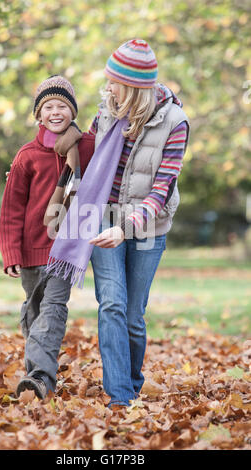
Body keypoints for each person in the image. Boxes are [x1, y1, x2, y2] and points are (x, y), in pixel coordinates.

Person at [86, 39, 190, 407]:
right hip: (103, 218)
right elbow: (86, 159)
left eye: (114, 81)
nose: (108, 87)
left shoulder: (175, 123)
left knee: (132, 315)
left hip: (148, 227)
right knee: (111, 303)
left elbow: (161, 189)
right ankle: (120, 398)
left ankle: (129, 382)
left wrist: (125, 227)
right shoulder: (106, 112)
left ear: (133, 86)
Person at [0, 75, 95, 399]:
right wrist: (11, 252)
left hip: (64, 248)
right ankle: (36, 371)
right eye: (49, 107)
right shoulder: (27, 155)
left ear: (73, 111)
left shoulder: (85, 148)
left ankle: (40, 378)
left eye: (63, 106)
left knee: (54, 306)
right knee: (34, 309)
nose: (56, 112)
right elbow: (11, 208)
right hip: (31, 247)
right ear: (39, 115)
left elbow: (109, 152)